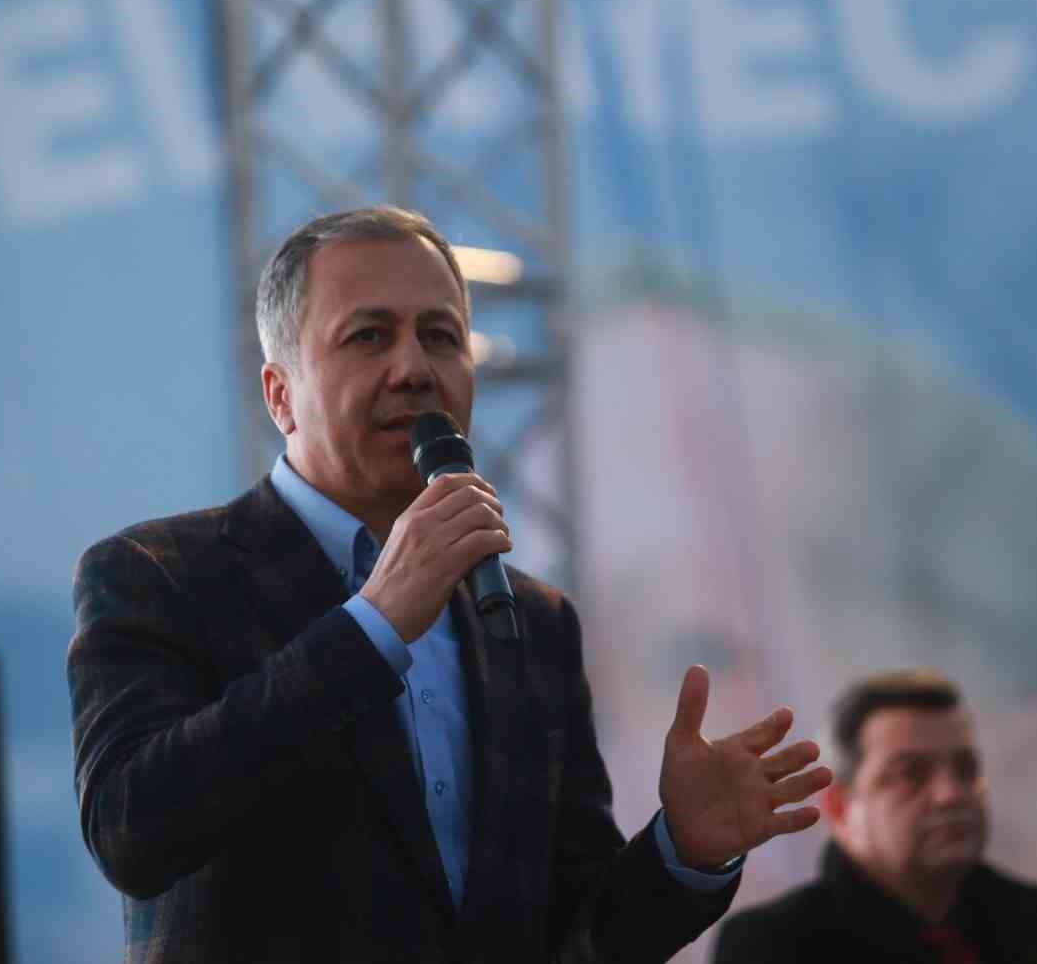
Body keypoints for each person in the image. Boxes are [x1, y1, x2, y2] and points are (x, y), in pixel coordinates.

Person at [67, 205, 832, 962]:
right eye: (369, 336)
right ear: (279, 394)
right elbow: (131, 829)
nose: (414, 369)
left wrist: (680, 852)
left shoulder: (532, 619)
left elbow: (575, 935)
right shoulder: (160, 575)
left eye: (440, 336)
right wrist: (373, 624)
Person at [712, 669, 1037, 963]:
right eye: (911, 774)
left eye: (966, 769)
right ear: (840, 808)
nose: (951, 795)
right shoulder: (772, 948)